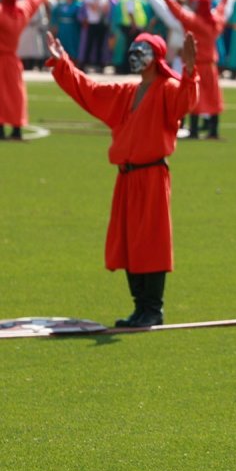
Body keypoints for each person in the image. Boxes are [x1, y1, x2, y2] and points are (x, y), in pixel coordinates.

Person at [46, 30, 200, 328]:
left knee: (151, 240)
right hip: (127, 177)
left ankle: (153, 309)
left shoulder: (168, 87)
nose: (134, 55)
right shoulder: (127, 91)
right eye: (134, 49)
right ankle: (139, 308)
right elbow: (89, 90)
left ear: (155, 57)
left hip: (152, 175)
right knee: (130, 240)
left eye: (141, 50)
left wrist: (191, 71)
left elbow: (185, 102)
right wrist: (63, 62)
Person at [165, 0, 230, 139]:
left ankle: (193, 130)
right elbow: (221, 10)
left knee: (195, 97)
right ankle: (213, 131)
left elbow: (179, 13)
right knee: (213, 98)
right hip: (211, 66)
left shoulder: (195, 21)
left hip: (197, 64)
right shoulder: (215, 22)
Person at [0, 0, 46, 141]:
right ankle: (16, 128)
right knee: (16, 94)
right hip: (12, 59)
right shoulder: (21, 13)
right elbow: (32, 1)